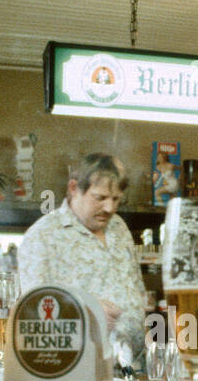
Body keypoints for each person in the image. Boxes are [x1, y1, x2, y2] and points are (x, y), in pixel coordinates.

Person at [18, 153, 147, 360]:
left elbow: (137, 290)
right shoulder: (42, 236)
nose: (110, 208)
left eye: (116, 199)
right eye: (100, 198)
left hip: (133, 367)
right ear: (73, 188)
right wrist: (85, 312)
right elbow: (33, 318)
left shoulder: (119, 226)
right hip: (78, 373)